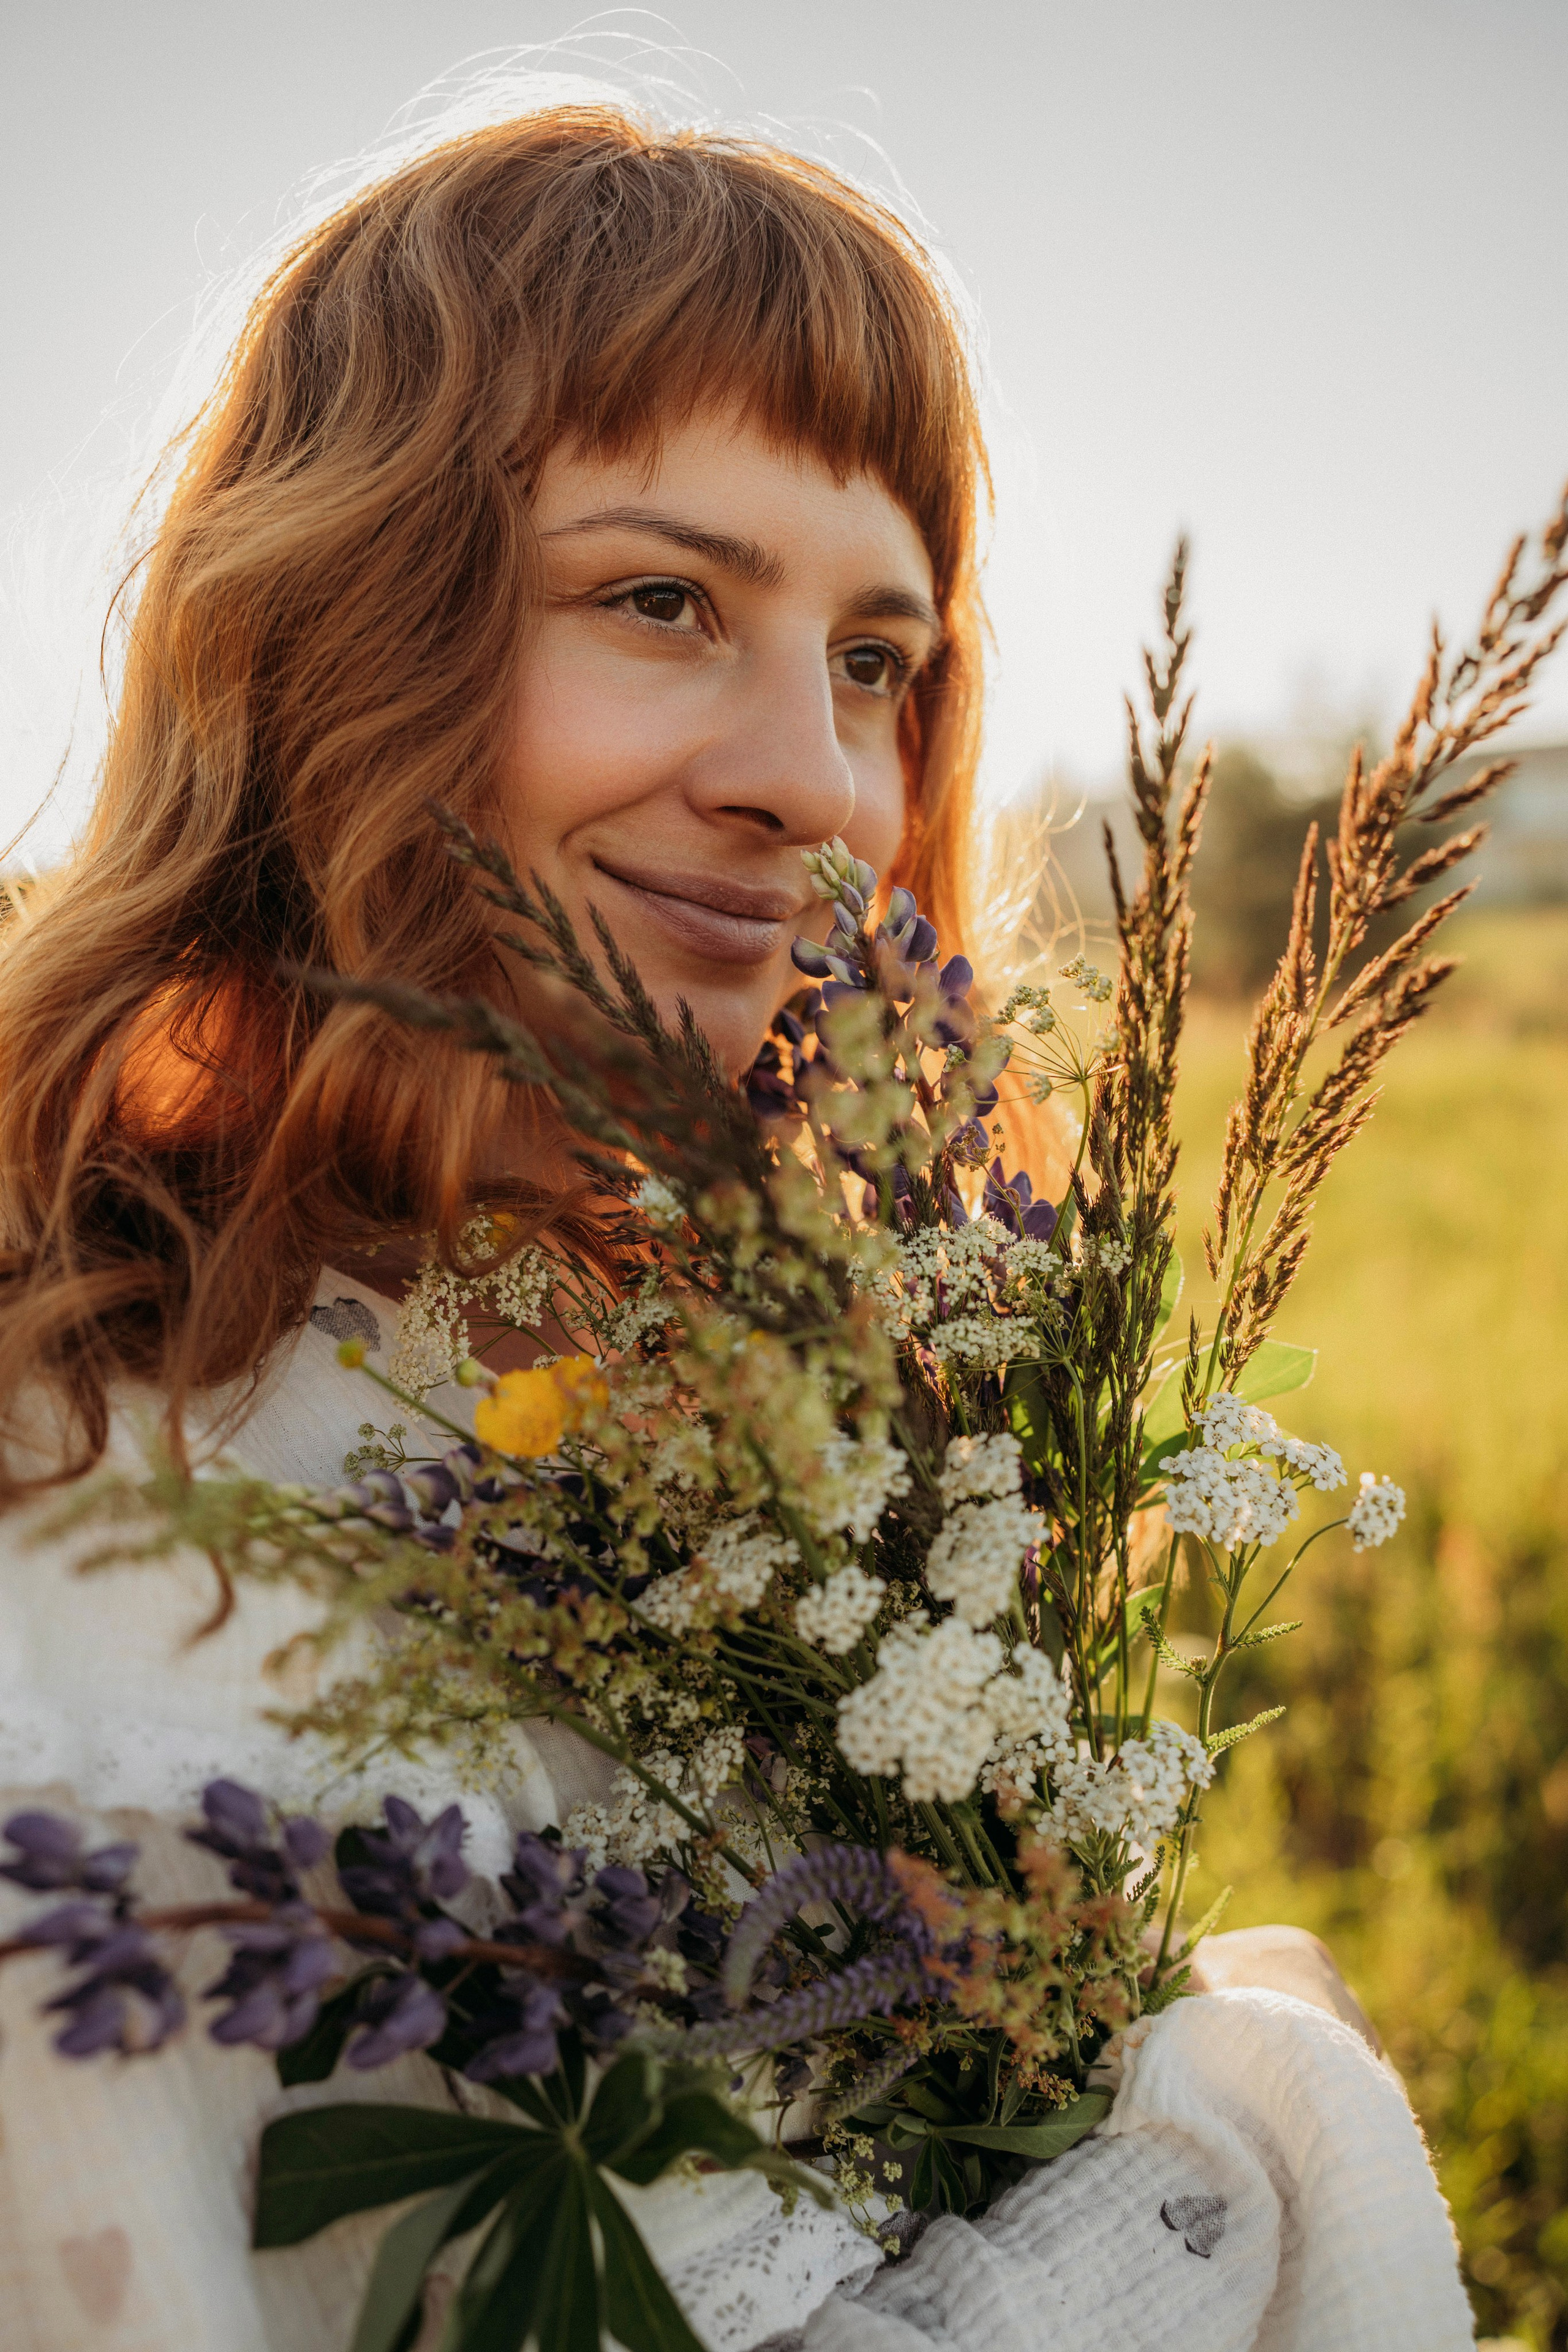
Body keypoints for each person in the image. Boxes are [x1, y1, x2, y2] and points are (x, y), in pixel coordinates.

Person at [0, 101, 1472, 2352]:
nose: (817, 780)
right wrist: (1242, 2139)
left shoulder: (752, 1424)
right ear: (339, 631)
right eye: (662, 601)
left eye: (875, 658)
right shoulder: (88, 1539)